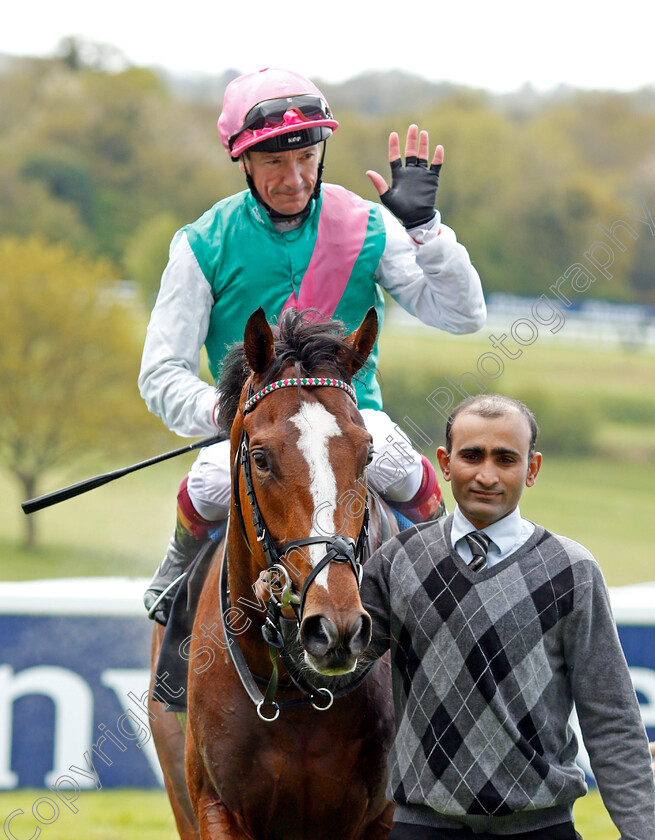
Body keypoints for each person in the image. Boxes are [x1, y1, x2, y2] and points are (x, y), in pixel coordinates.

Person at [138, 67, 486, 625]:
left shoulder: (368, 225)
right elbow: (159, 375)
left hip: (352, 419)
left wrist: (425, 231)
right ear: (244, 161)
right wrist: (232, 412)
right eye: (275, 160)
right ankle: (175, 588)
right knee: (206, 483)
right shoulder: (201, 244)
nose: (295, 178)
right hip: (256, 426)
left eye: (305, 157)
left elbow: (463, 315)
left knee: (403, 469)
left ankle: (449, 601)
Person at [360, 394, 655, 840]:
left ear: (532, 469)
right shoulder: (396, 561)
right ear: (444, 461)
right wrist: (285, 612)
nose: (486, 475)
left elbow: (612, 719)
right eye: (471, 456)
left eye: (506, 459)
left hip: (540, 828)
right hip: (422, 828)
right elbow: (333, 670)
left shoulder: (572, 571)